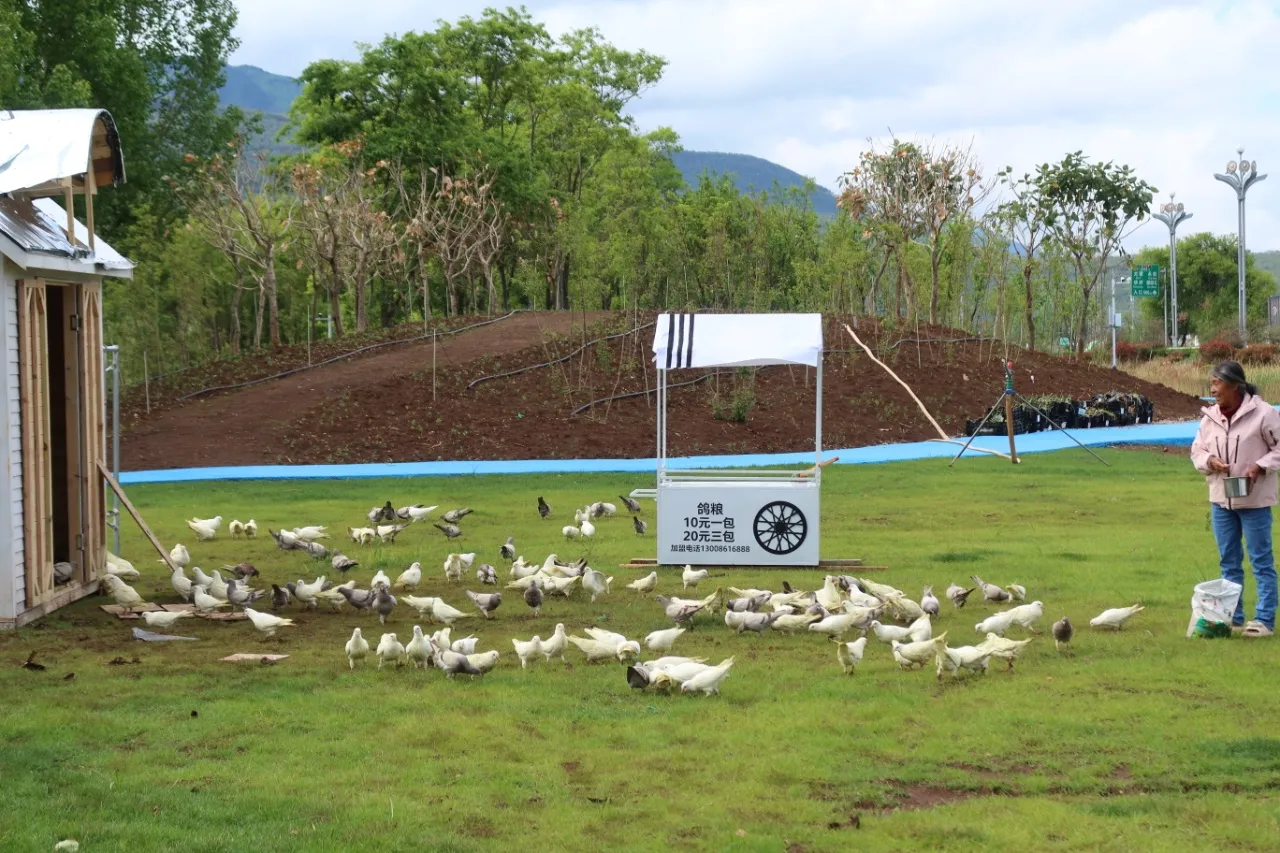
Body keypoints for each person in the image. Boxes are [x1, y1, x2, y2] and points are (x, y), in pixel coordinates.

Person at [1190, 360, 1280, 637]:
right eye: (1212, 383)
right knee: (1228, 562)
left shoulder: (1264, 414)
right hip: (1221, 501)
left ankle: (1264, 620)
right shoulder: (1210, 417)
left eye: (1217, 383)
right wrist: (1210, 460)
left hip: (1254, 501)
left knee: (1261, 561)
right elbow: (1196, 450)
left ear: (1234, 385)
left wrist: (1261, 465)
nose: (1212, 388)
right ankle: (1234, 617)